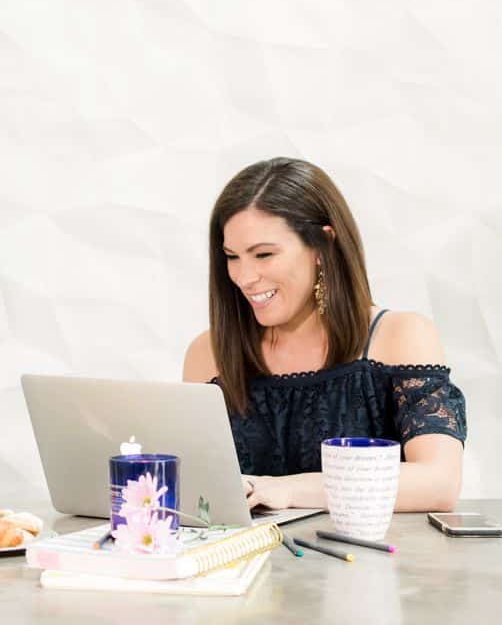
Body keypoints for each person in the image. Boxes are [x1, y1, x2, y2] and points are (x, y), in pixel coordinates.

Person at [182, 158, 465, 512]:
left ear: (323, 245)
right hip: (248, 565)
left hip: (374, 562)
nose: (244, 277)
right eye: (232, 257)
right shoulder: (207, 353)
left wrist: (287, 491)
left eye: (264, 254)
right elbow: (197, 492)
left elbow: (438, 484)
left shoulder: (400, 336)